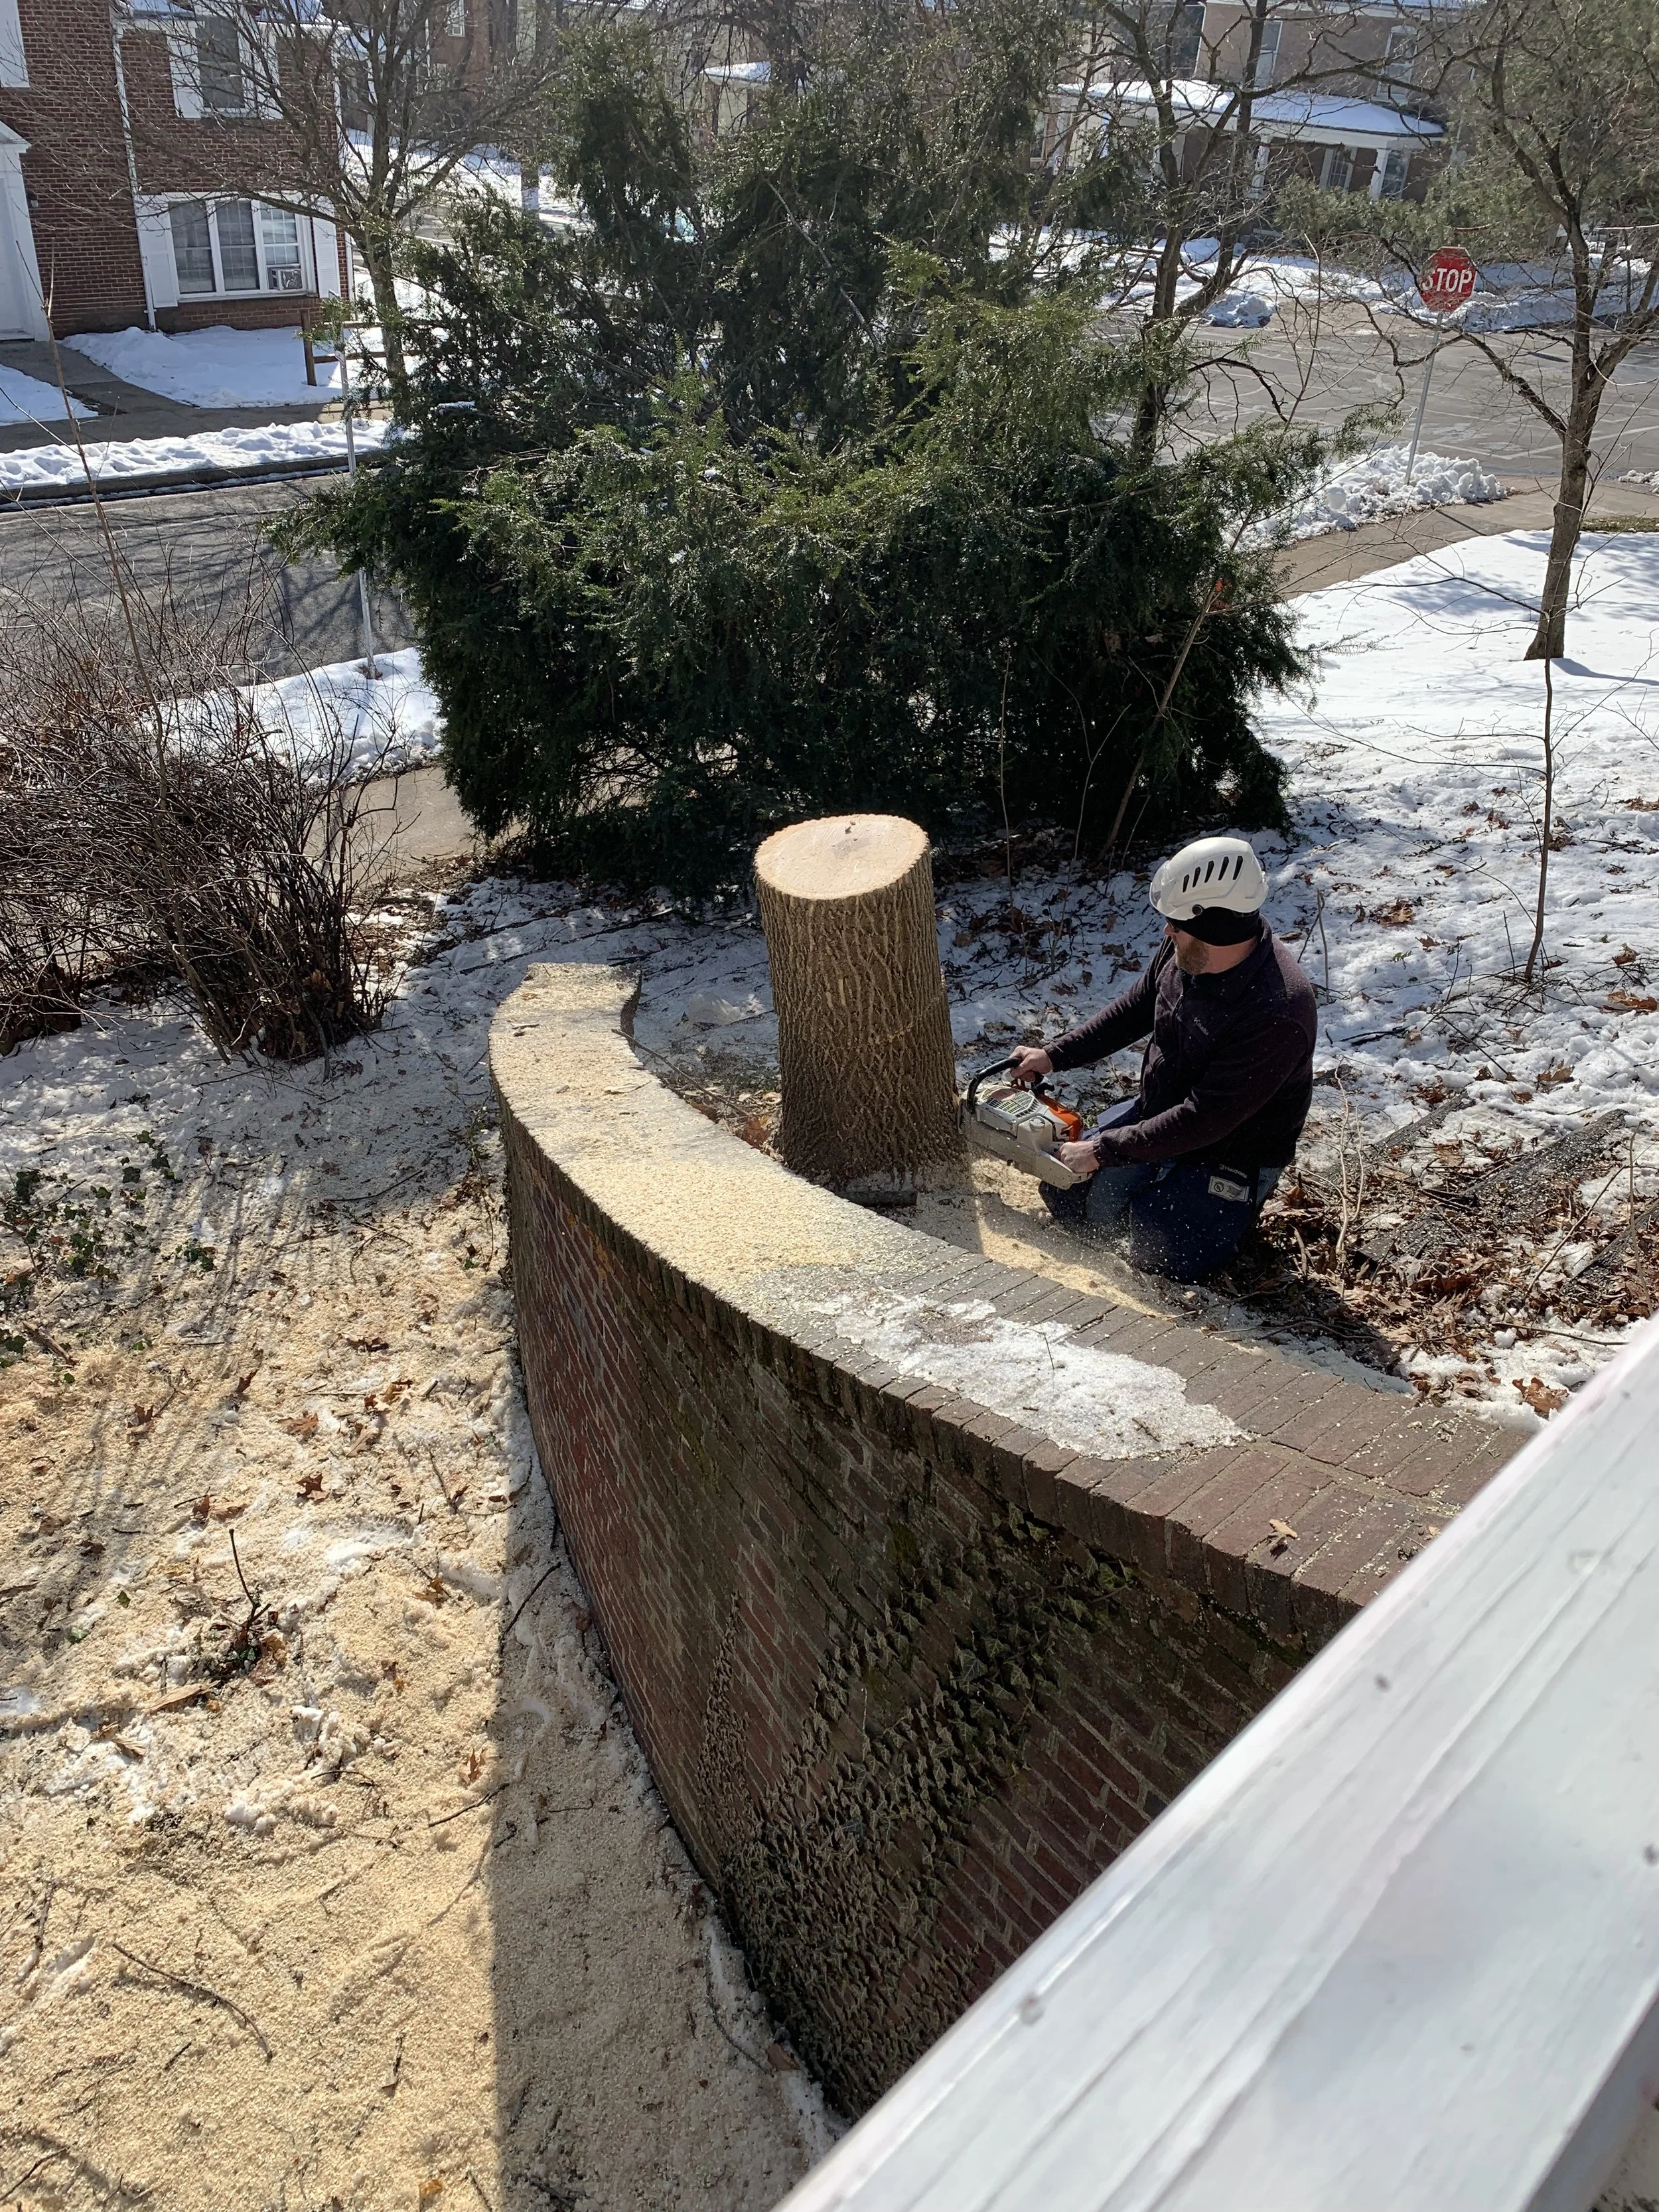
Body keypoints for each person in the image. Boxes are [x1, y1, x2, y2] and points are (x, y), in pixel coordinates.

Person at [1007, 834, 1316, 1282]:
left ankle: (1218, 1211)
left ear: (1217, 925)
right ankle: (1142, 1185)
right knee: (1066, 1192)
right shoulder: (1187, 953)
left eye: (1177, 923)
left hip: (1228, 1151)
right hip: (1159, 1111)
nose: (1166, 931)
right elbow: (1133, 1010)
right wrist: (1053, 1056)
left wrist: (1102, 1149)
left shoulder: (1278, 1011)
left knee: (1159, 1244)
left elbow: (1203, 1119)